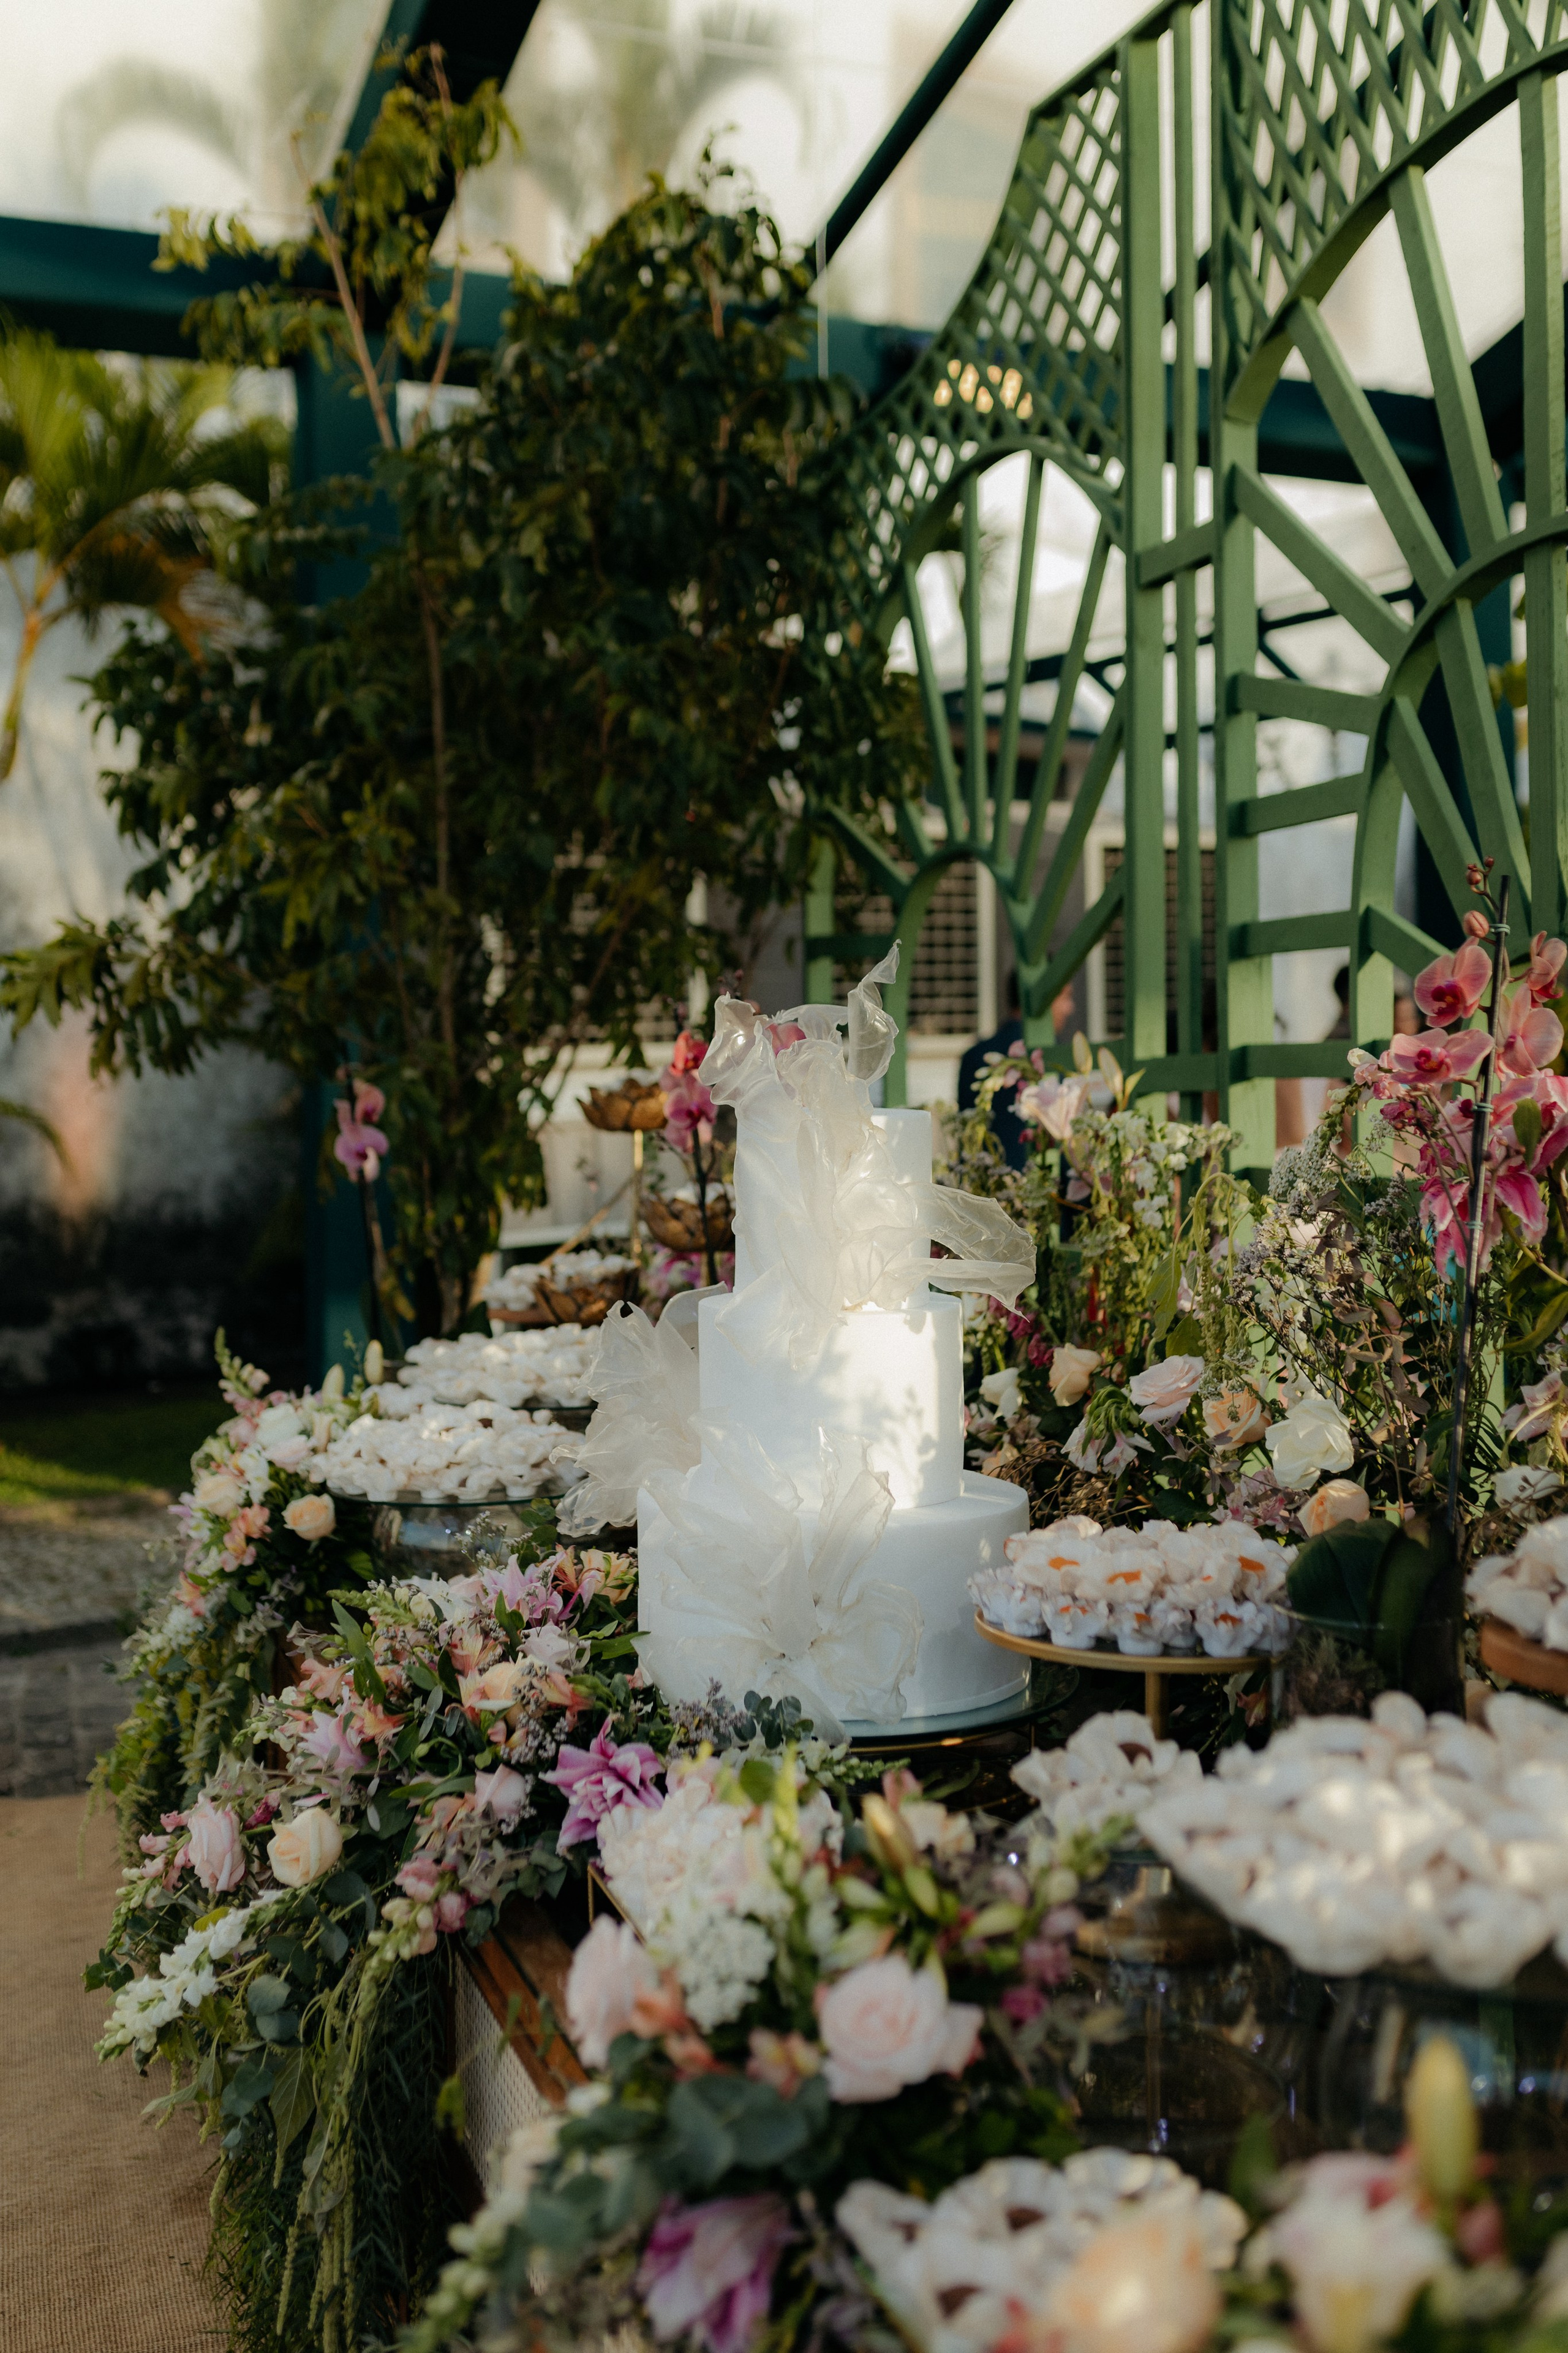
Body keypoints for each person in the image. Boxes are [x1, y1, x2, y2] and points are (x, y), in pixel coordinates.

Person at [958, 972, 1076, 1168]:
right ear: (1043, 999)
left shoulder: (974, 1056)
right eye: (1065, 997)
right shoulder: (1054, 1058)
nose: (1070, 1008)